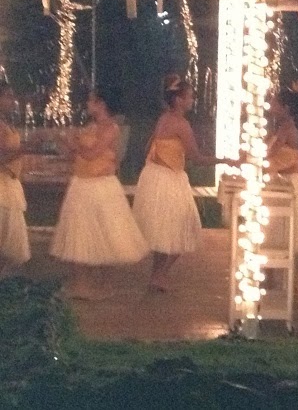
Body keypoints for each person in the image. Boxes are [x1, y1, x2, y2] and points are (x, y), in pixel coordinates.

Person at [132, 74, 238, 292]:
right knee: (183, 228)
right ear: (178, 100)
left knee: (164, 231)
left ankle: (156, 276)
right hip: (168, 179)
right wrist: (224, 160)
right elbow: (196, 158)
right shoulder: (181, 124)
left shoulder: (164, 118)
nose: (192, 100)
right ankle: (159, 275)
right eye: (189, 97)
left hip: (154, 176)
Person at [50, 86, 148, 299]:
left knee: (106, 234)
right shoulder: (90, 127)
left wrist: (73, 143)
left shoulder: (111, 128)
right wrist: (64, 142)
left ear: (101, 104)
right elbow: (77, 155)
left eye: (91, 100)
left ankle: (104, 285)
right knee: (79, 234)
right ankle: (81, 284)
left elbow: (92, 154)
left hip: (101, 186)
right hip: (82, 184)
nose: (87, 104)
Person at [0, 83, 31, 275]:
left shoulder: (6, 123)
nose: (13, 101)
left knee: (8, 243)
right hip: (2, 186)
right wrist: (25, 149)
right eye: (8, 97)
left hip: (10, 183)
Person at [266, 83, 298, 179]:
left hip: (290, 177)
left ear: (285, 108)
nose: (271, 107)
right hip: (283, 174)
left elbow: (273, 150)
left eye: (274, 104)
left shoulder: (287, 128)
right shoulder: (280, 126)